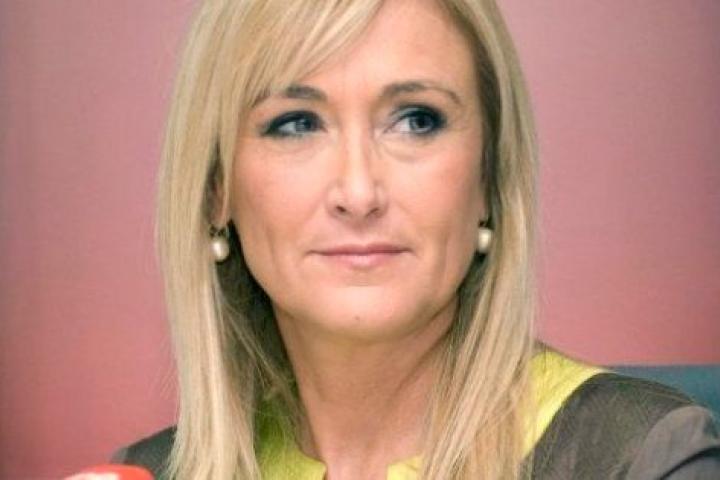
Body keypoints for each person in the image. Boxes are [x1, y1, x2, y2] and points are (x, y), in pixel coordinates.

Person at [112, 0, 720, 478]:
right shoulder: (147, 473)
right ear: (217, 188)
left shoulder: (644, 458)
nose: (358, 191)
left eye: (415, 120)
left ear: (488, 175)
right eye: (296, 124)